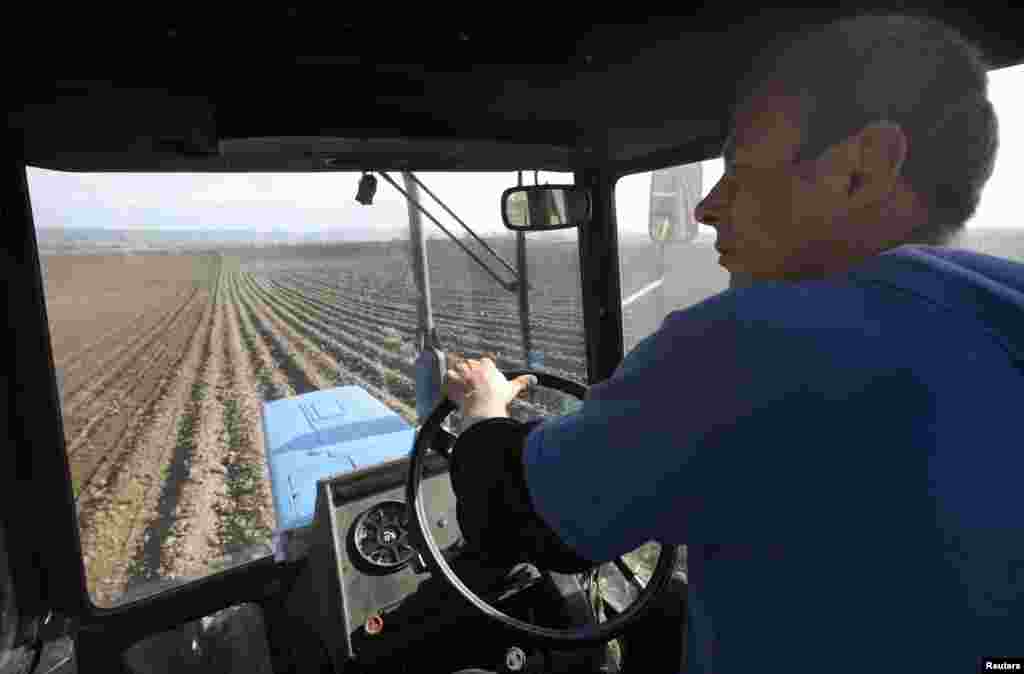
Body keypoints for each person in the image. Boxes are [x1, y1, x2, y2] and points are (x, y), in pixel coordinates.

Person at [445, 12, 1023, 672]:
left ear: (862, 170)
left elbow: (520, 516)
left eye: (740, 171)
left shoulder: (749, 344)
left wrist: (485, 415)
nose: (706, 207)